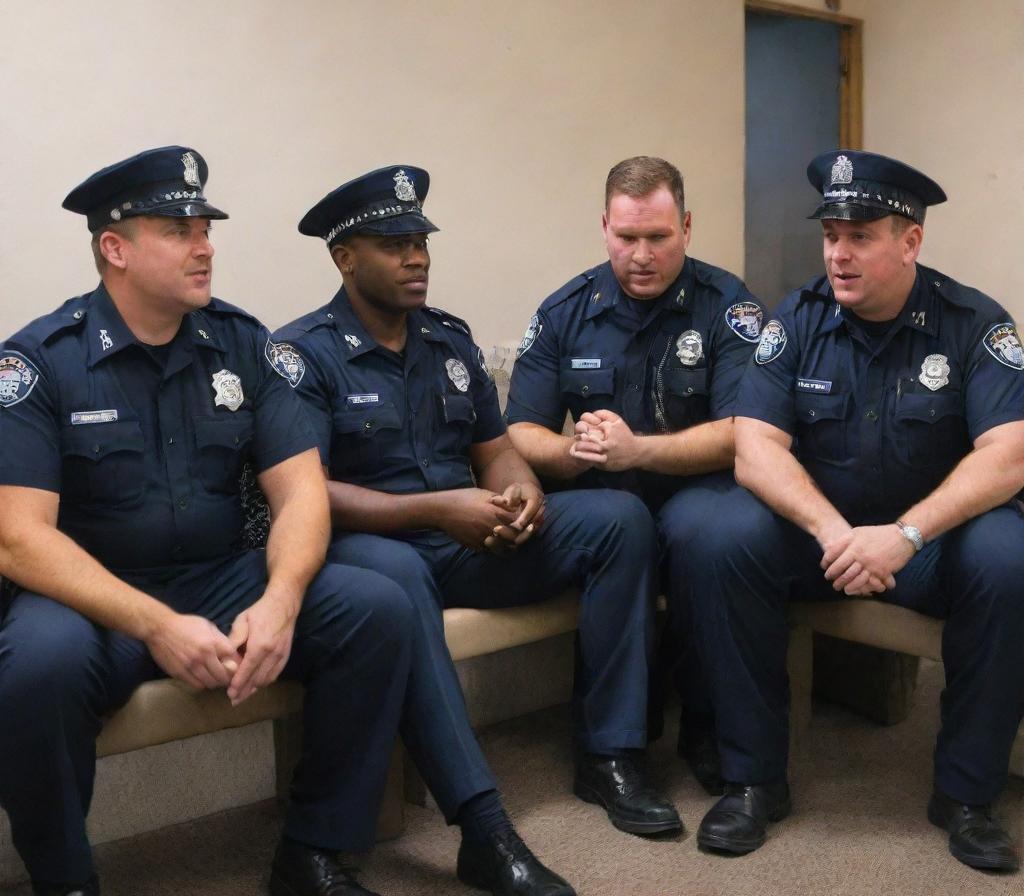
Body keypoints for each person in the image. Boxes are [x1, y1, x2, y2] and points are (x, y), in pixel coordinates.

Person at [0, 147, 415, 896]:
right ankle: (65, 881)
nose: (205, 245)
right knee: (37, 666)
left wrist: (282, 601)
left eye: (206, 227)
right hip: (97, 598)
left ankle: (315, 850)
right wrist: (155, 623)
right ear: (115, 249)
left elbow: (302, 494)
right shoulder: (40, 362)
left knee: (376, 610)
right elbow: (18, 537)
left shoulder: (243, 344)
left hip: (223, 576)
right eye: (179, 230)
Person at [274, 165, 681, 896]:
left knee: (618, 518)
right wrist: (437, 510)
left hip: (464, 540)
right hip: (371, 551)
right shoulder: (303, 355)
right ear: (344, 258)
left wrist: (520, 494)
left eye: (422, 242)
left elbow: (496, 452)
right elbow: (305, 494)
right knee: (395, 586)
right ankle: (484, 829)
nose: (417, 258)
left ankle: (612, 753)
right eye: (395, 244)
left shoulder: (449, 345)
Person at [681, 150, 1024, 871]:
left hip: (928, 546)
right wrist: (835, 531)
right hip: (825, 541)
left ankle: (966, 795)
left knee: (1007, 556)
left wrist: (905, 534)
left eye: (861, 235)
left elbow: (1010, 455)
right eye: (831, 234)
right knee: (720, 535)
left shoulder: (974, 323)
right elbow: (755, 450)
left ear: (911, 242)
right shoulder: (797, 319)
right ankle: (753, 780)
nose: (839, 252)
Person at [504, 155, 764, 793]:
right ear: (604, 228)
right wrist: (577, 453)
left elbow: (744, 432)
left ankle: (706, 724)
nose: (641, 255)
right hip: (603, 493)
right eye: (626, 238)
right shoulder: (566, 310)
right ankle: (616, 750)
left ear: (688, 228)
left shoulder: (730, 306)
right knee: (622, 527)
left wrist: (638, 451)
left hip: (699, 489)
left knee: (707, 535)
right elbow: (519, 430)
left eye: (658, 237)